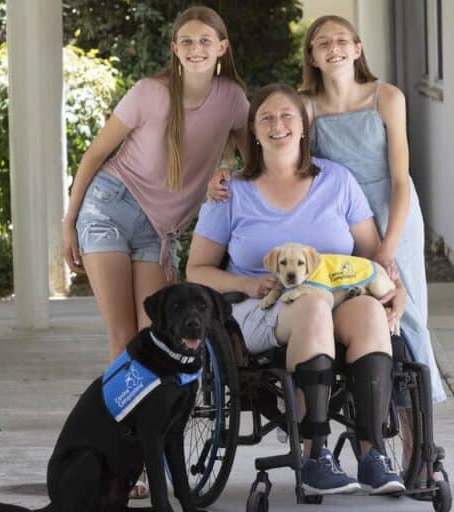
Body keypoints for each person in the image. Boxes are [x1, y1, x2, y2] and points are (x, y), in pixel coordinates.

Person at [61, 6, 248, 499]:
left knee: (155, 336)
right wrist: (68, 221)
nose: (196, 49)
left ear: (222, 48)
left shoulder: (233, 100)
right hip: (107, 207)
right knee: (125, 337)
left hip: (158, 229)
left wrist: (223, 175)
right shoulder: (150, 92)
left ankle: (149, 447)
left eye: (206, 41)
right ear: (175, 49)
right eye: (186, 41)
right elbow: (94, 154)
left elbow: (251, 157)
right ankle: (127, 457)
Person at [188, 84, 407, 496]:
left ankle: (372, 453)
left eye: (287, 116)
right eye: (266, 117)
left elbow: (372, 256)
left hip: (332, 298)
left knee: (368, 313)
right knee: (310, 306)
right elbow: (196, 270)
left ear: (305, 127)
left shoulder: (337, 180)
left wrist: (398, 291)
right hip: (258, 307)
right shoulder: (230, 191)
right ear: (253, 130)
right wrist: (247, 282)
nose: (278, 125)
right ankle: (315, 453)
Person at [299, 15, 446, 406]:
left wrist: (387, 248)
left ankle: (420, 442)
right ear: (312, 57)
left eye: (342, 40)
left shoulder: (387, 97)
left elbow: (401, 179)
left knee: (405, 311)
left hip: (390, 206)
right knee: (357, 306)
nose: (334, 48)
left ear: (358, 49)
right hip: (342, 217)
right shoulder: (306, 107)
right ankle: (364, 409)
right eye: (323, 43)